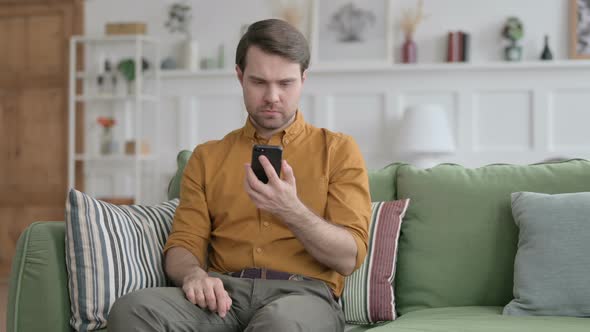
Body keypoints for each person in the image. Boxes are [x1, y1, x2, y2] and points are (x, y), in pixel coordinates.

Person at [108, 18, 371, 332]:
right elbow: (183, 244)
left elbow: (348, 258)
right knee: (132, 310)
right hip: (223, 296)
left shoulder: (338, 150)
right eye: (259, 82)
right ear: (240, 76)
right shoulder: (208, 157)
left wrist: (291, 209)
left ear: (303, 80)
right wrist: (194, 274)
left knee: (278, 324)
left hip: (304, 296)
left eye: (285, 83)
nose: (272, 95)